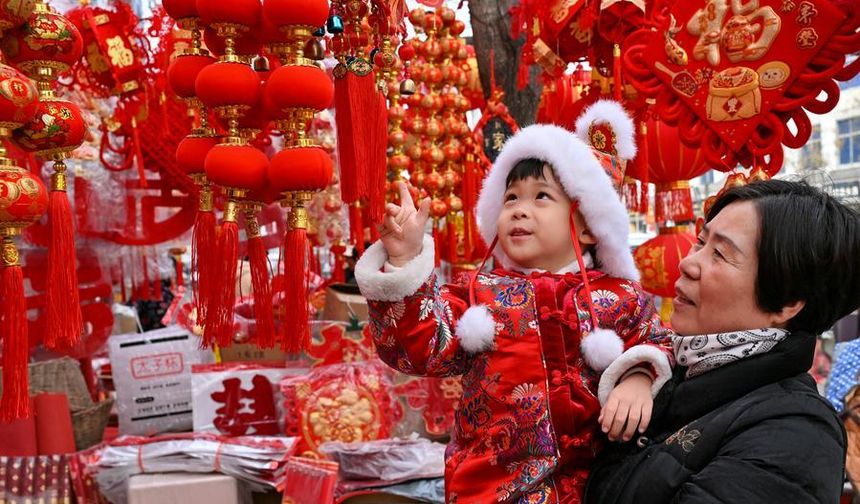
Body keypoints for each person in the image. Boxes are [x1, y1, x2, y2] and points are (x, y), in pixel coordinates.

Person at [355, 101, 674, 502]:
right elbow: (418, 350)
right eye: (510, 198)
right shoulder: (476, 293)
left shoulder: (619, 296)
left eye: (541, 196)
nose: (519, 210)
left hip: (601, 487)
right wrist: (403, 261)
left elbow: (660, 342)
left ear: (589, 225)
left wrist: (639, 375)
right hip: (490, 491)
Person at [585, 179, 860, 504]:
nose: (688, 263)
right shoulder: (665, 368)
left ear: (787, 302)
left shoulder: (796, 436)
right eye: (700, 242)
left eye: (720, 254)